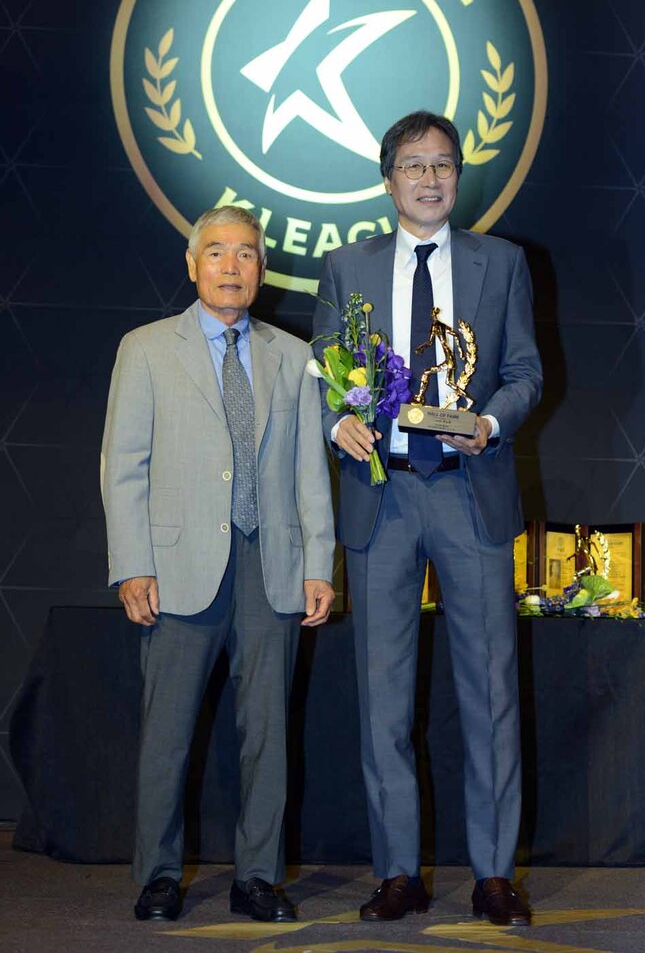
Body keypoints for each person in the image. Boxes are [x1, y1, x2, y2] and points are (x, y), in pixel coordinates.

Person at [313, 111, 542, 926]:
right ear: (388, 180)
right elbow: (325, 372)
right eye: (413, 165)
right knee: (383, 698)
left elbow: (524, 372)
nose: (430, 178)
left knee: (491, 693)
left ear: (457, 176)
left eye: (443, 164)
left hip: (469, 489)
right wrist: (336, 421)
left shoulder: (501, 262)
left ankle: (493, 874)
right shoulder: (346, 266)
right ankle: (398, 873)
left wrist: (492, 421)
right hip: (383, 496)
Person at [102, 206, 335, 924]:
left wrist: (319, 563)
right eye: (216, 252)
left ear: (263, 268)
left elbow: (310, 470)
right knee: (167, 735)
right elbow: (123, 466)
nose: (231, 266)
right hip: (177, 571)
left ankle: (257, 878)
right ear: (191, 263)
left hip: (272, 566)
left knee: (268, 734)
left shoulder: (294, 356)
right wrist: (132, 564)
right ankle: (158, 876)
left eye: (246, 254)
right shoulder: (145, 349)